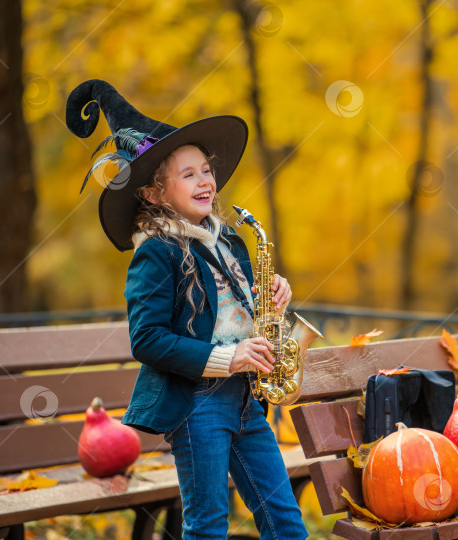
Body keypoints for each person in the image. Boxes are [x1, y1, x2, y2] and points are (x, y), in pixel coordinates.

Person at [66, 79, 309, 540]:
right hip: (196, 404)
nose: (206, 181)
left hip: (245, 399)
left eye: (206, 170)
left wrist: (273, 293)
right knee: (207, 526)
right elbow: (148, 338)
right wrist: (229, 358)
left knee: (285, 522)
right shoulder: (156, 252)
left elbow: (236, 306)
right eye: (189, 174)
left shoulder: (230, 240)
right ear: (155, 194)